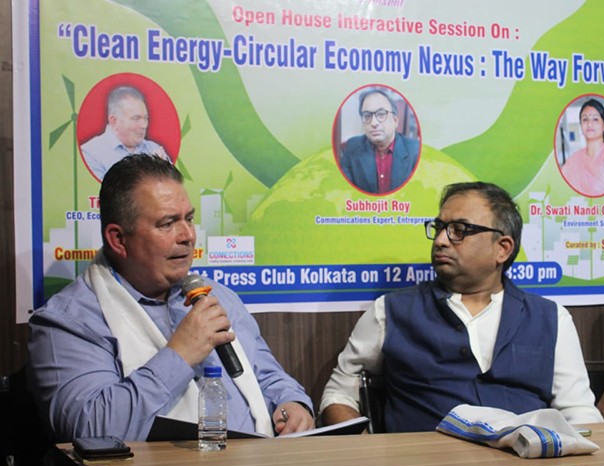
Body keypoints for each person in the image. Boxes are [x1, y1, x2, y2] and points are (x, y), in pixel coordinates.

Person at [27, 154, 314, 442]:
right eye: (167, 224)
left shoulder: (216, 296)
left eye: (189, 219)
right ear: (118, 240)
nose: (187, 235)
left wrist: (292, 404)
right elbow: (89, 430)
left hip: (260, 463)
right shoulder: (70, 321)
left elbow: (267, 375)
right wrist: (180, 355)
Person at [320, 181, 603, 431]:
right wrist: (363, 448)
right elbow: (339, 393)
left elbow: (578, 412)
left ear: (502, 248)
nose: (441, 240)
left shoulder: (551, 318)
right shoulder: (390, 312)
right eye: (439, 228)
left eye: (459, 230)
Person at [339, 87, 420, 195]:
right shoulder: (352, 148)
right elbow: (344, 192)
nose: (373, 123)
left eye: (381, 114)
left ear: (395, 121)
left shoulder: (416, 151)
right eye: (367, 116)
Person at [81, 86, 171, 180]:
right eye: (136, 118)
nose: (144, 125)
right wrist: (150, 168)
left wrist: (163, 168)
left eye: (146, 118)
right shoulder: (90, 153)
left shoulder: (154, 148)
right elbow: (103, 188)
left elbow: (173, 184)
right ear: (114, 121)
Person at [560, 98, 604, 197]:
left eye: (595, 119)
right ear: (580, 125)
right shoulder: (572, 161)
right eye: (585, 119)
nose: (589, 124)